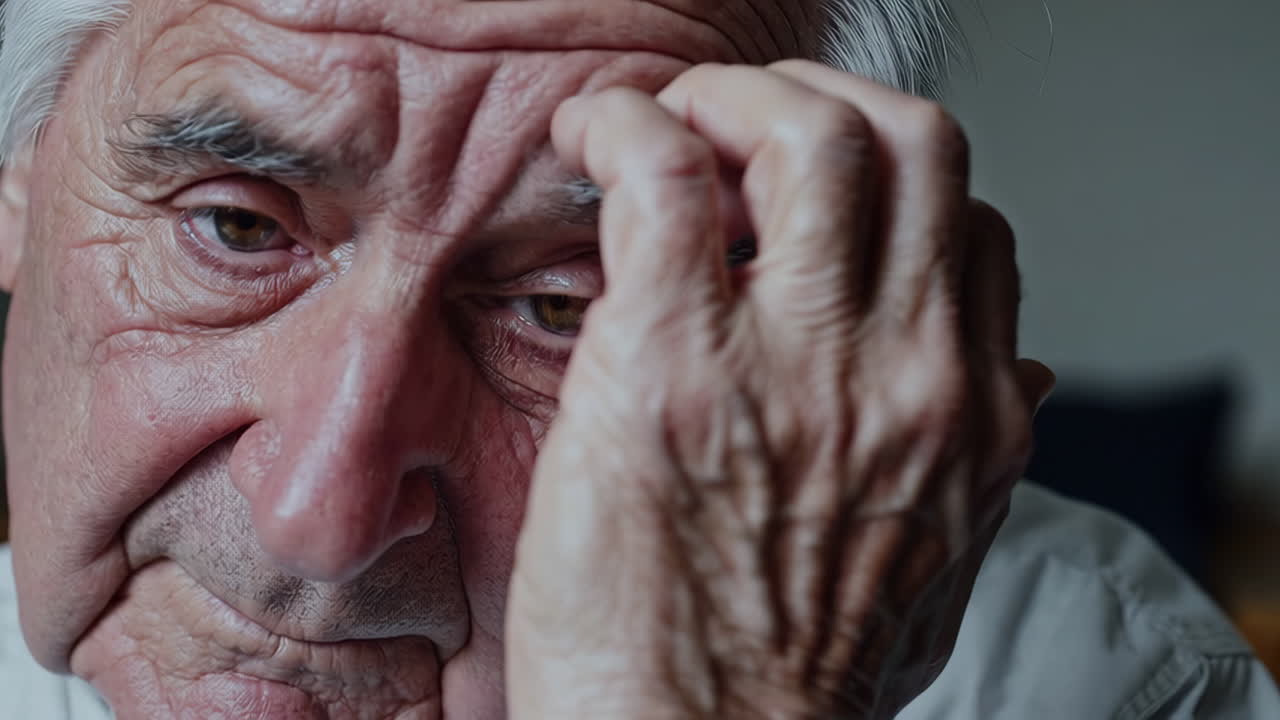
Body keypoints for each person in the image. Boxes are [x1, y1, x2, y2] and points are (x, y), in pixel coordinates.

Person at [0, 0, 1275, 717]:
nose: (317, 519)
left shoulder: (1095, 681)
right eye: (234, 229)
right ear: (17, 203)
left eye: (563, 306)